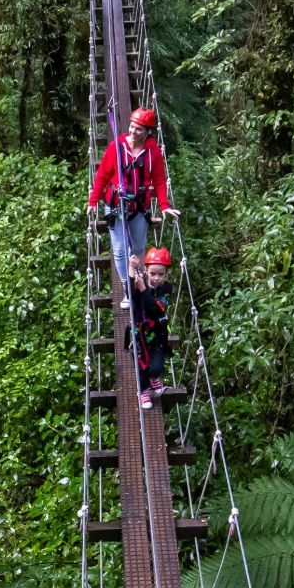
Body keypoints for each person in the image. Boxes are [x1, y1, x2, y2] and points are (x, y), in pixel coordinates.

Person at [88, 107, 178, 309]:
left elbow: (160, 180)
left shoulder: (153, 151)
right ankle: (128, 287)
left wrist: (164, 205)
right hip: (116, 205)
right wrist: (93, 201)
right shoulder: (116, 147)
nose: (133, 131)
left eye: (138, 129)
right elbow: (102, 175)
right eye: (132, 126)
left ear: (148, 132)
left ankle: (137, 276)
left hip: (139, 206)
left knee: (137, 248)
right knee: (120, 251)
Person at [132, 247, 176, 408]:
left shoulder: (167, 290)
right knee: (142, 364)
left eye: (160, 274)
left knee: (156, 366)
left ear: (166, 274)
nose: (156, 278)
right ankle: (143, 391)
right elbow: (130, 294)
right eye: (152, 273)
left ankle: (154, 377)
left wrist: (144, 290)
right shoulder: (139, 284)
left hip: (157, 334)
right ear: (146, 271)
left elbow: (155, 309)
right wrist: (131, 268)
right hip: (139, 334)